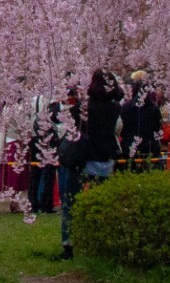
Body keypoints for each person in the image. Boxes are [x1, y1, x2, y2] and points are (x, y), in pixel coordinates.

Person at [60, 70, 121, 260]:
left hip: (83, 159)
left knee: (71, 203)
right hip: (105, 160)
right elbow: (118, 129)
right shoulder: (115, 108)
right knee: (102, 204)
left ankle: (69, 245)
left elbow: (69, 128)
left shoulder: (83, 108)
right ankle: (100, 243)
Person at [28, 101, 60, 214]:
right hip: (48, 142)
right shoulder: (51, 105)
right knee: (48, 174)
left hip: (35, 140)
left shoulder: (33, 111)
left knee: (35, 174)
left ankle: (33, 204)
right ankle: (46, 204)